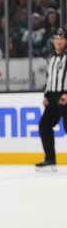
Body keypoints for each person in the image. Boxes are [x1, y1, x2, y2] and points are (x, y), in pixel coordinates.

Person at [36, 27, 67, 170]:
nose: (58, 41)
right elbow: (49, 78)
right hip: (54, 96)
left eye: (61, 38)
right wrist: (46, 95)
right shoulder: (51, 57)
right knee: (44, 125)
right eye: (56, 38)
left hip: (65, 96)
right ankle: (50, 158)